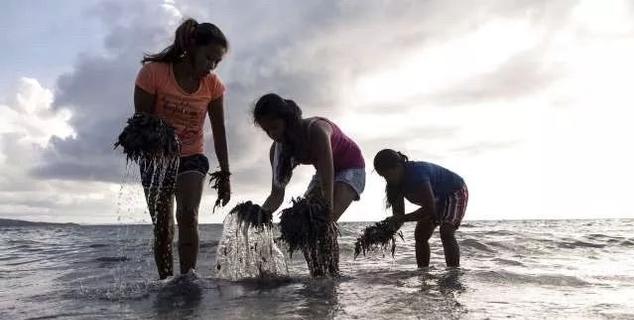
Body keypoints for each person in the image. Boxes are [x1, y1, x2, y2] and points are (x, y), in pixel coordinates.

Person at [133, 19, 231, 279]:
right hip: (157, 157)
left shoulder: (213, 86)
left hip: (192, 155)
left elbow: (219, 130)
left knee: (188, 214)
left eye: (217, 62)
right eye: (208, 58)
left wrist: (225, 174)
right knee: (163, 226)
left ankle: (188, 280)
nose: (211, 66)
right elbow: (141, 122)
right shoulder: (153, 73)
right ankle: (166, 282)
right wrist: (158, 148)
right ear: (192, 48)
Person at [254, 93, 366, 273]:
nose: (273, 135)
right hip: (323, 172)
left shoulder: (316, 131)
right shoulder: (278, 149)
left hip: (351, 167)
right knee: (304, 225)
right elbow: (276, 195)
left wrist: (326, 212)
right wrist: (260, 214)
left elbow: (327, 186)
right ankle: (317, 277)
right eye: (267, 131)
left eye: (275, 127)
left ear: (287, 119)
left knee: (322, 224)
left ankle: (332, 277)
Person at [373, 149, 468, 268]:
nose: (387, 179)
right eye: (383, 176)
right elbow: (399, 217)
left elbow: (429, 208)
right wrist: (384, 231)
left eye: (388, 174)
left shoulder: (417, 173)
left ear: (398, 167)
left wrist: (401, 218)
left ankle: (453, 274)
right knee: (420, 235)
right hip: (434, 200)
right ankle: (423, 273)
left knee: (446, 232)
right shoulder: (394, 185)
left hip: (454, 191)